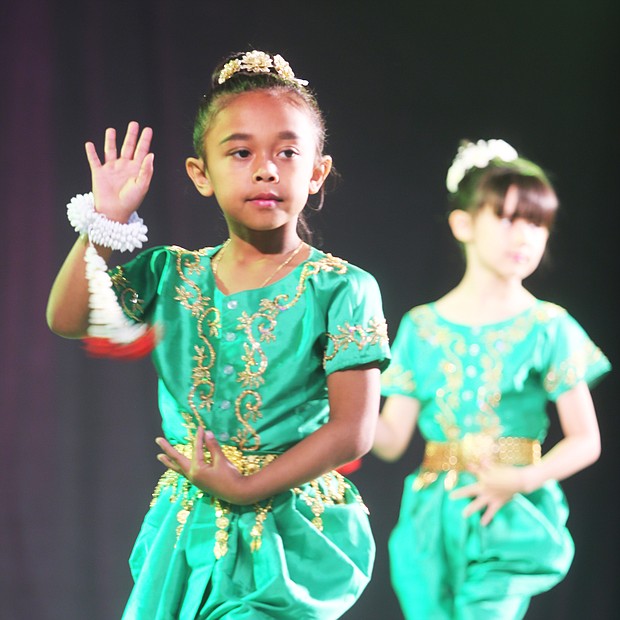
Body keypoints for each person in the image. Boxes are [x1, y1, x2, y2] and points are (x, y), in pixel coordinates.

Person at [46, 50, 390, 619]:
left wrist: (248, 488)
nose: (265, 169)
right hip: (189, 525)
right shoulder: (171, 275)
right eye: (240, 152)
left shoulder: (341, 288)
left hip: (289, 532)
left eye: (286, 152)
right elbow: (66, 318)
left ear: (317, 172)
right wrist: (103, 227)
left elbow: (353, 431)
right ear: (200, 174)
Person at [372, 139, 611, 619]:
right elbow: (392, 440)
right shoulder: (422, 326)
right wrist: (335, 389)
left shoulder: (548, 326)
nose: (524, 236)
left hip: (508, 511)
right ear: (464, 224)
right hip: (431, 517)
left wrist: (521, 479)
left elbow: (586, 440)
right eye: (507, 218)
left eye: (537, 222)